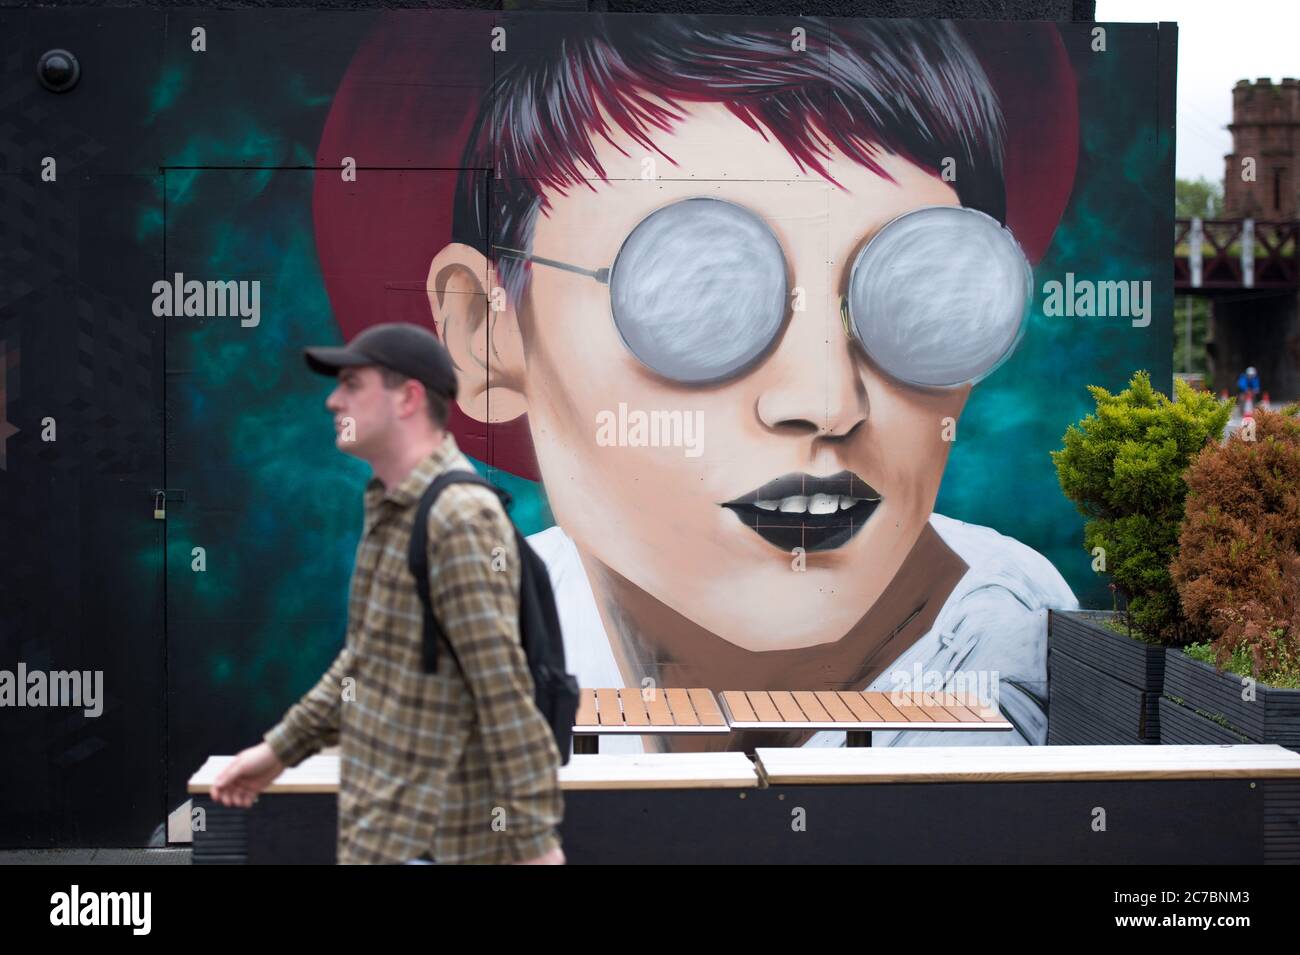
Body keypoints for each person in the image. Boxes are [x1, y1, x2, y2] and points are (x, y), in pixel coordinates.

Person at [418, 17, 1079, 753]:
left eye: (917, 299)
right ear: (485, 332)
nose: (827, 402)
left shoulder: (996, 640)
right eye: (697, 295)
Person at [210, 323, 564, 864]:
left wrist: (537, 847)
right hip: (386, 834)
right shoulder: (391, 506)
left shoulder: (457, 519)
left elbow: (503, 695)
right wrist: (278, 752)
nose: (332, 400)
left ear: (408, 397)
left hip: (436, 842)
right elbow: (365, 660)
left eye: (352, 383)